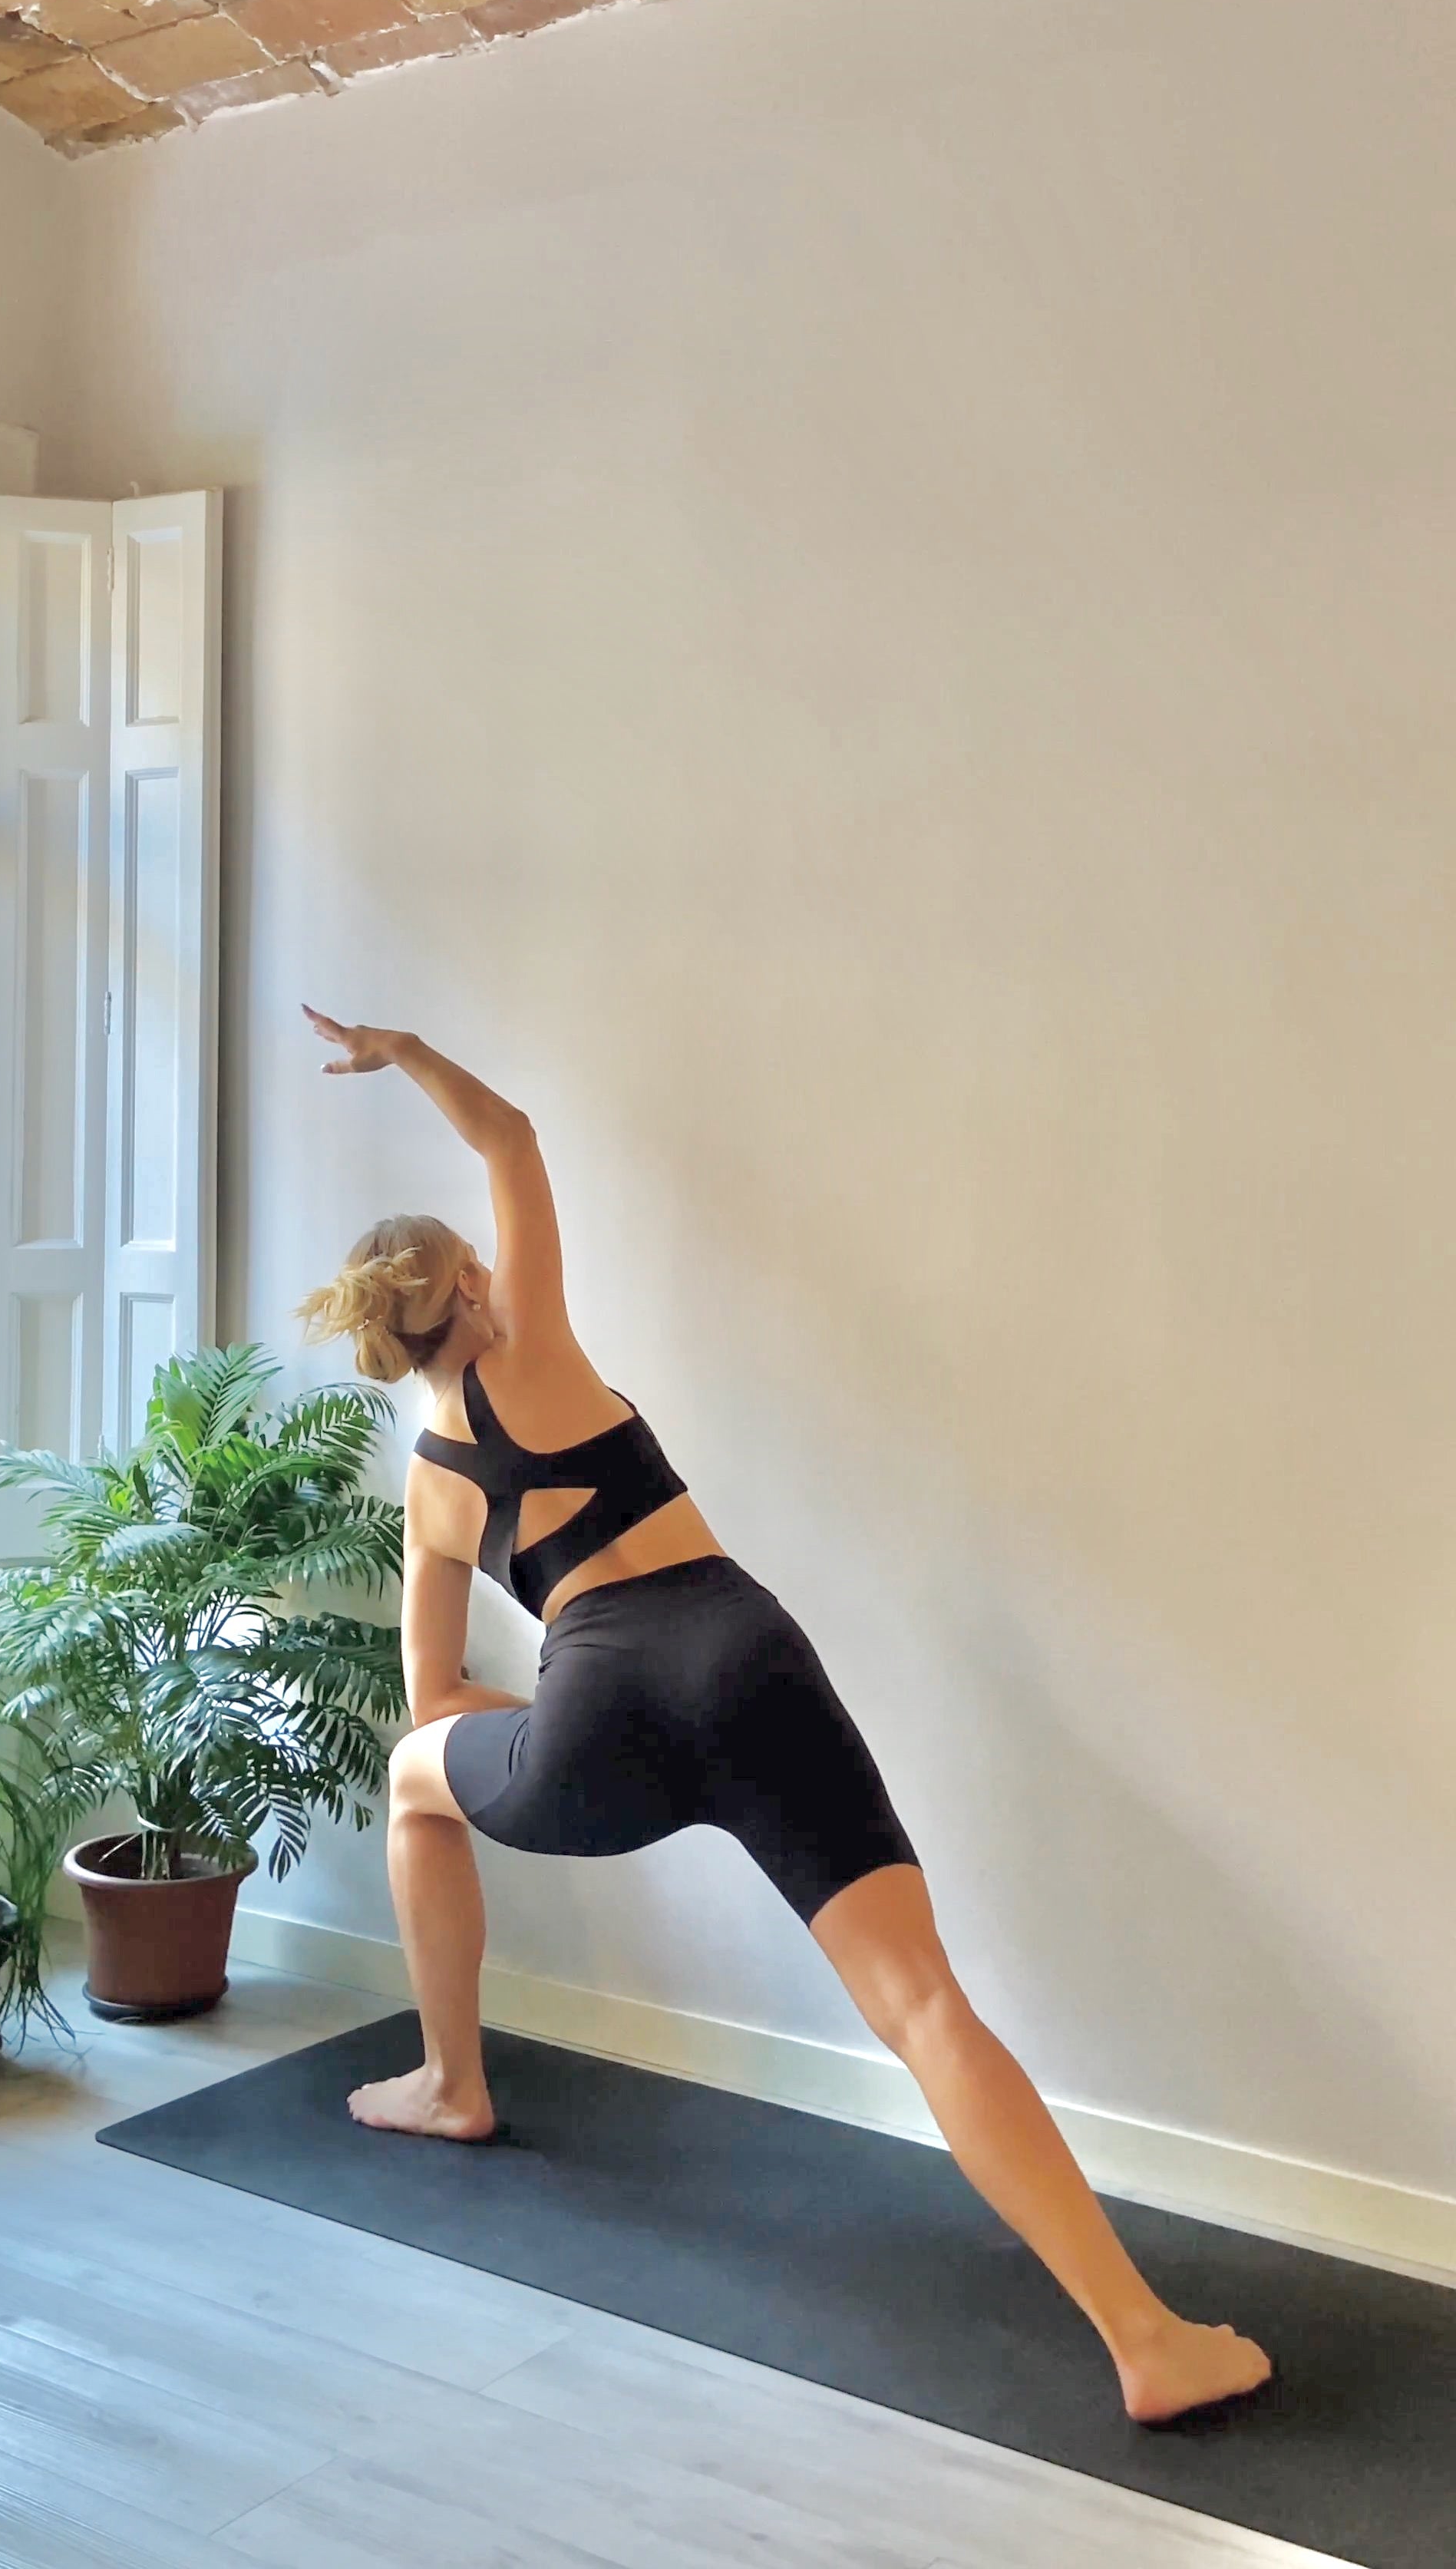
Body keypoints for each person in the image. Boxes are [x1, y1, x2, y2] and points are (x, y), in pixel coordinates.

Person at [300, 1010, 1275, 2428]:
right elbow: (511, 1133)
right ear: (472, 1284)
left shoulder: (437, 1492)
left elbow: (431, 1703)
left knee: (411, 1780)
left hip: (590, 1725)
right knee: (920, 2000)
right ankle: (1143, 2339)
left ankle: (455, 2083)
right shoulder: (546, 1349)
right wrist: (406, 1053)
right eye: (483, 1260)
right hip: (745, 1655)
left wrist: (561, 1716)